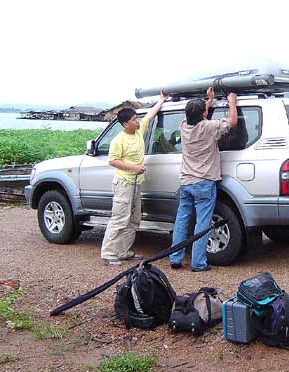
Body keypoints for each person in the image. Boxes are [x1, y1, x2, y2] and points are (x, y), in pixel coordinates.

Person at [169, 87, 237, 272]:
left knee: (181, 221)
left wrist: (208, 102)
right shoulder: (210, 127)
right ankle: (198, 263)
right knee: (202, 223)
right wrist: (231, 102)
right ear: (204, 114)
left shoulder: (183, 126)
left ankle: (175, 258)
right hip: (204, 182)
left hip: (186, 182)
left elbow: (199, 115)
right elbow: (232, 121)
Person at [100, 92, 168, 266]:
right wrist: (134, 167)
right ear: (125, 124)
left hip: (137, 182)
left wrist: (161, 100)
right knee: (120, 218)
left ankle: (124, 251)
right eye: (134, 120)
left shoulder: (139, 131)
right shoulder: (119, 140)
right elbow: (112, 160)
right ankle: (108, 253)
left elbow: (151, 114)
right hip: (124, 182)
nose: (138, 121)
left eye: (137, 118)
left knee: (134, 218)